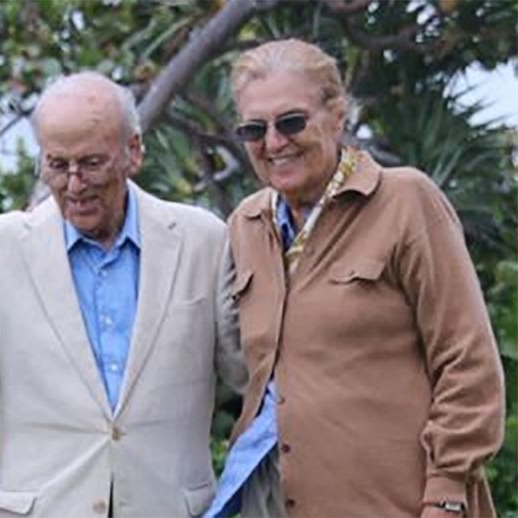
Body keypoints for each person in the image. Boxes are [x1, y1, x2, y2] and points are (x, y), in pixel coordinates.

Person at [0, 72, 247, 517]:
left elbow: (253, 377)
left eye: (92, 163)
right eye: (57, 165)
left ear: (133, 151)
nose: (74, 185)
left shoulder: (204, 240)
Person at [205, 39, 505, 517]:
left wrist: (446, 494)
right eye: (254, 129)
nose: (274, 142)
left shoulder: (406, 200)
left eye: (291, 122)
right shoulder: (246, 224)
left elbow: (468, 362)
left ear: (338, 116)